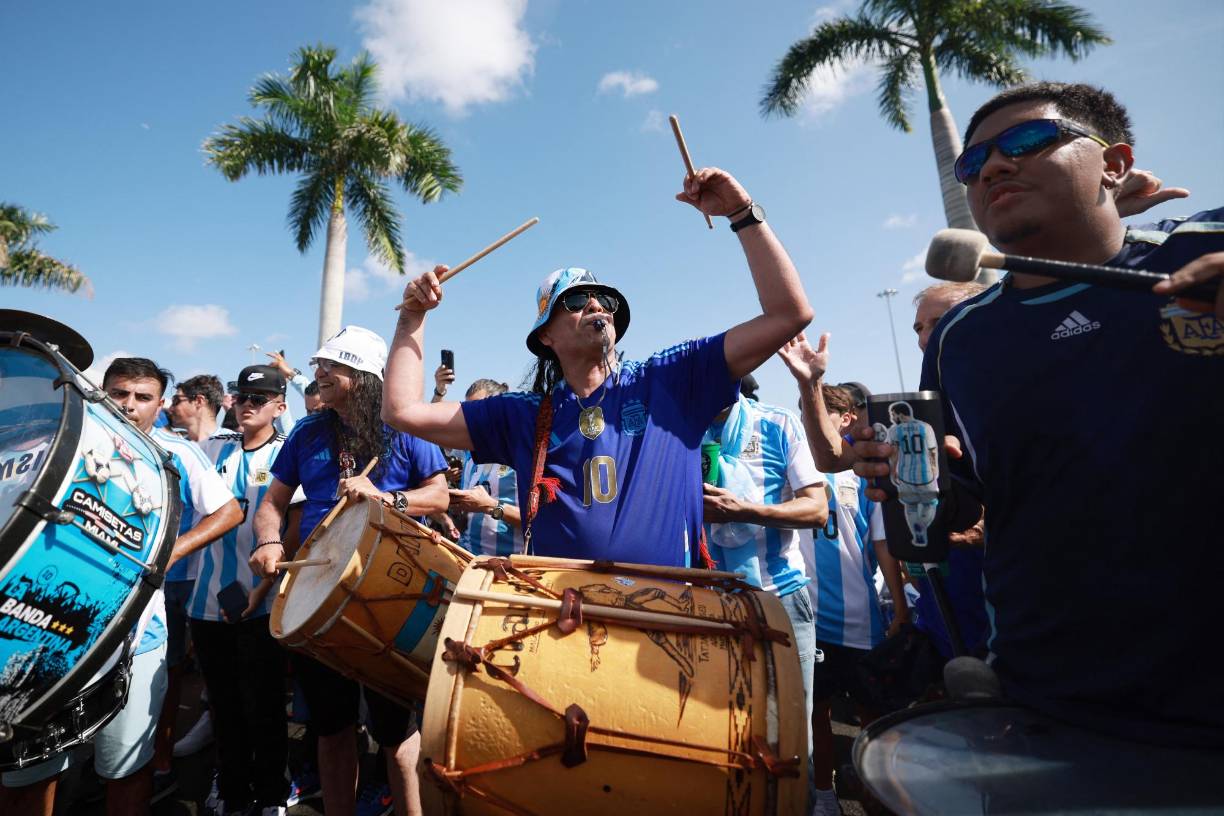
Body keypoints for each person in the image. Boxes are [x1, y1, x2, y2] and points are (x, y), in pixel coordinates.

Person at [855, 81, 1223, 747]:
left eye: (1027, 142)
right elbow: (966, 501)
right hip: (1049, 698)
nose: (994, 166)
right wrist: (917, 487)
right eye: (974, 163)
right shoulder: (959, 337)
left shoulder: (1204, 256)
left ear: (1114, 164)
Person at [384, 167, 813, 567]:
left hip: (667, 616)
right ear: (545, 337)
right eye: (573, 300)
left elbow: (788, 315)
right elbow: (402, 411)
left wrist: (742, 213)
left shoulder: (672, 379)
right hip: (564, 616)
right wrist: (412, 318)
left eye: (603, 298)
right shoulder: (524, 415)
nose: (594, 303)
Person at [1, 358, 241, 816]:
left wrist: (167, 551)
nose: (130, 406)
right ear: (101, 392)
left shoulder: (175, 453)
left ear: (161, 404)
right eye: (120, 393)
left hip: (136, 638)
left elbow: (229, 511)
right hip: (41, 634)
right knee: (29, 774)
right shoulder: (62, 433)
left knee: (128, 769)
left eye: (143, 397)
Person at [249, 326, 448, 816]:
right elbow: (272, 503)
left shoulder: (404, 428)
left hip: (388, 593)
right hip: (317, 596)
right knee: (331, 728)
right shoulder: (307, 431)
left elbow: (439, 494)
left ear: (362, 376)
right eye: (318, 366)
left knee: (396, 734)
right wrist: (269, 541)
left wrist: (388, 498)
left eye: (330, 367)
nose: (318, 375)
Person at [700, 378, 827, 811]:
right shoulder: (679, 432)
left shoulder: (777, 424)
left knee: (792, 733)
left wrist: (747, 511)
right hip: (709, 601)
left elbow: (817, 508)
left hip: (780, 599)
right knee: (718, 729)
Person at [190, 365, 293, 815]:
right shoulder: (211, 448)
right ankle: (231, 789)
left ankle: (271, 793)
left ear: (280, 406)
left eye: (260, 397)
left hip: (263, 603)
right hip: (207, 603)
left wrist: (260, 591)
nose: (248, 404)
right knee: (224, 706)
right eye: (242, 396)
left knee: (265, 707)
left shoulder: (287, 454)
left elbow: (292, 527)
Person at [157, 373, 224, 775]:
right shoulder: (161, 442)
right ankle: (155, 755)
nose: (168, 406)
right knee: (167, 664)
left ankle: (210, 727)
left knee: (212, 664)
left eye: (176, 398)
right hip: (166, 577)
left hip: (208, 576)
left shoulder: (232, 448)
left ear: (198, 401)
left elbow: (244, 504)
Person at [446, 379, 524, 557]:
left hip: (507, 566)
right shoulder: (469, 451)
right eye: (469, 412)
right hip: (467, 557)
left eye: (480, 411)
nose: (473, 419)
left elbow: (540, 523)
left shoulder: (524, 453)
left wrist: (490, 506)